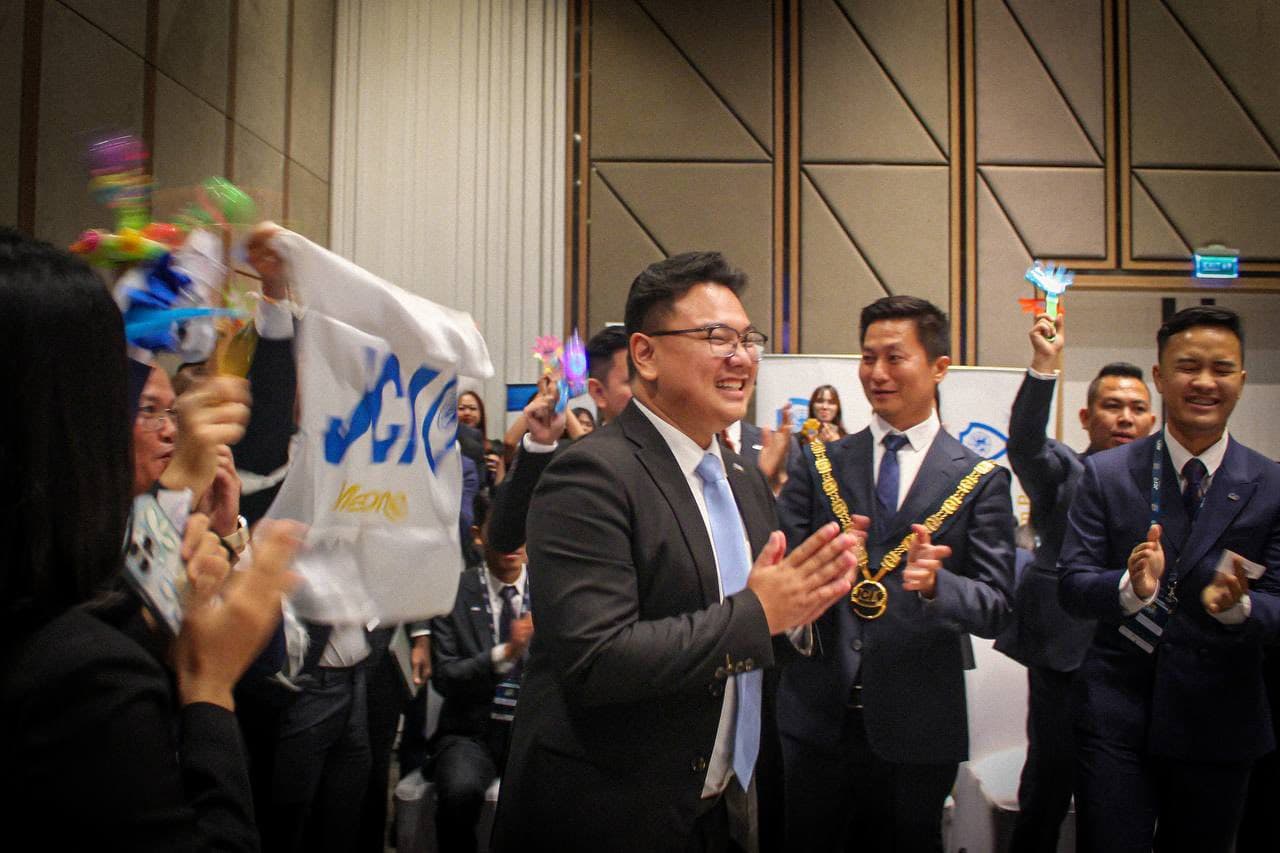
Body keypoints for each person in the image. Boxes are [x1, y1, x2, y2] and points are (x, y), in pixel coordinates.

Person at [491, 251, 862, 852]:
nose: (741, 357)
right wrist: (760, 612)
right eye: (716, 337)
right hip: (613, 811)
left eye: (748, 339)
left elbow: (751, 636)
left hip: (725, 805)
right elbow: (597, 659)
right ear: (646, 354)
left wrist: (799, 611)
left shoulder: (743, 479)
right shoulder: (590, 474)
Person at [0, 227, 301, 849]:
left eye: (173, 412)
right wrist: (208, 686)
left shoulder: (133, 540)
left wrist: (222, 536)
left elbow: (250, 658)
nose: (171, 430)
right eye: (143, 409)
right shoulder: (81, 661)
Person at [776, 295, 1015, 852]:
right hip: (817, 717)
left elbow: (998, 605)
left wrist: (940, 586)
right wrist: (817, 570)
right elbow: (785, 572)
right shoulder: (820, 463)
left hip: (919, 721)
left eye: (894, 357)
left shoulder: (980, 479)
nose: (876, 374)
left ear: (938, 366)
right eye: (867, 358)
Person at [1059, 305, 1280, 853]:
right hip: (1117, 716)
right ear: (1159, 376)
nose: (1204, 382)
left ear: (1242, 380)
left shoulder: (1271, 484)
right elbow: (1072, 583)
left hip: (1221, 717)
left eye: (1221, 369)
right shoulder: (1106, 474)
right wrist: (1131, 589)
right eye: (1187, 366)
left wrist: (1240, 609)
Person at [994, 312, 1156, 852]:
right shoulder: (1062, 472)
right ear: (1087, 416)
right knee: (1046, 788)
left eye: (1136, 408)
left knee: (1113, 799)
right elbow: (1023, 442)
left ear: (1151, 421)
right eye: (1112, 406)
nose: (1125, 418)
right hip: (1065, 657)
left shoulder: (1168, 491)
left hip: (1138, 661)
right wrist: (1044, 367)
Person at [424, 492, 530, 853]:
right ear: (478, 535)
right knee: (458, 790)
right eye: (502, 530)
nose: (513, 542)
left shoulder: (550, 592)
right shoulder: (454, 592)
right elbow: (446, 677)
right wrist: (504, 654)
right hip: (471, 732)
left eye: (521, 530)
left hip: (533, 733)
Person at [486, 324, 634, 553]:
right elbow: (504, 537)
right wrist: (540, 445)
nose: (651, 389)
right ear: (598, 392)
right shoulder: (572, 462)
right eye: (633, 381)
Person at [458, 390, 505, 485]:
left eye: (473, 408)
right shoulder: (449, 449)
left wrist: (498, 470)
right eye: (461, 408)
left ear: (481, 413)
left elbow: (501, 492)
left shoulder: (494, 448)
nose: (467, 413)